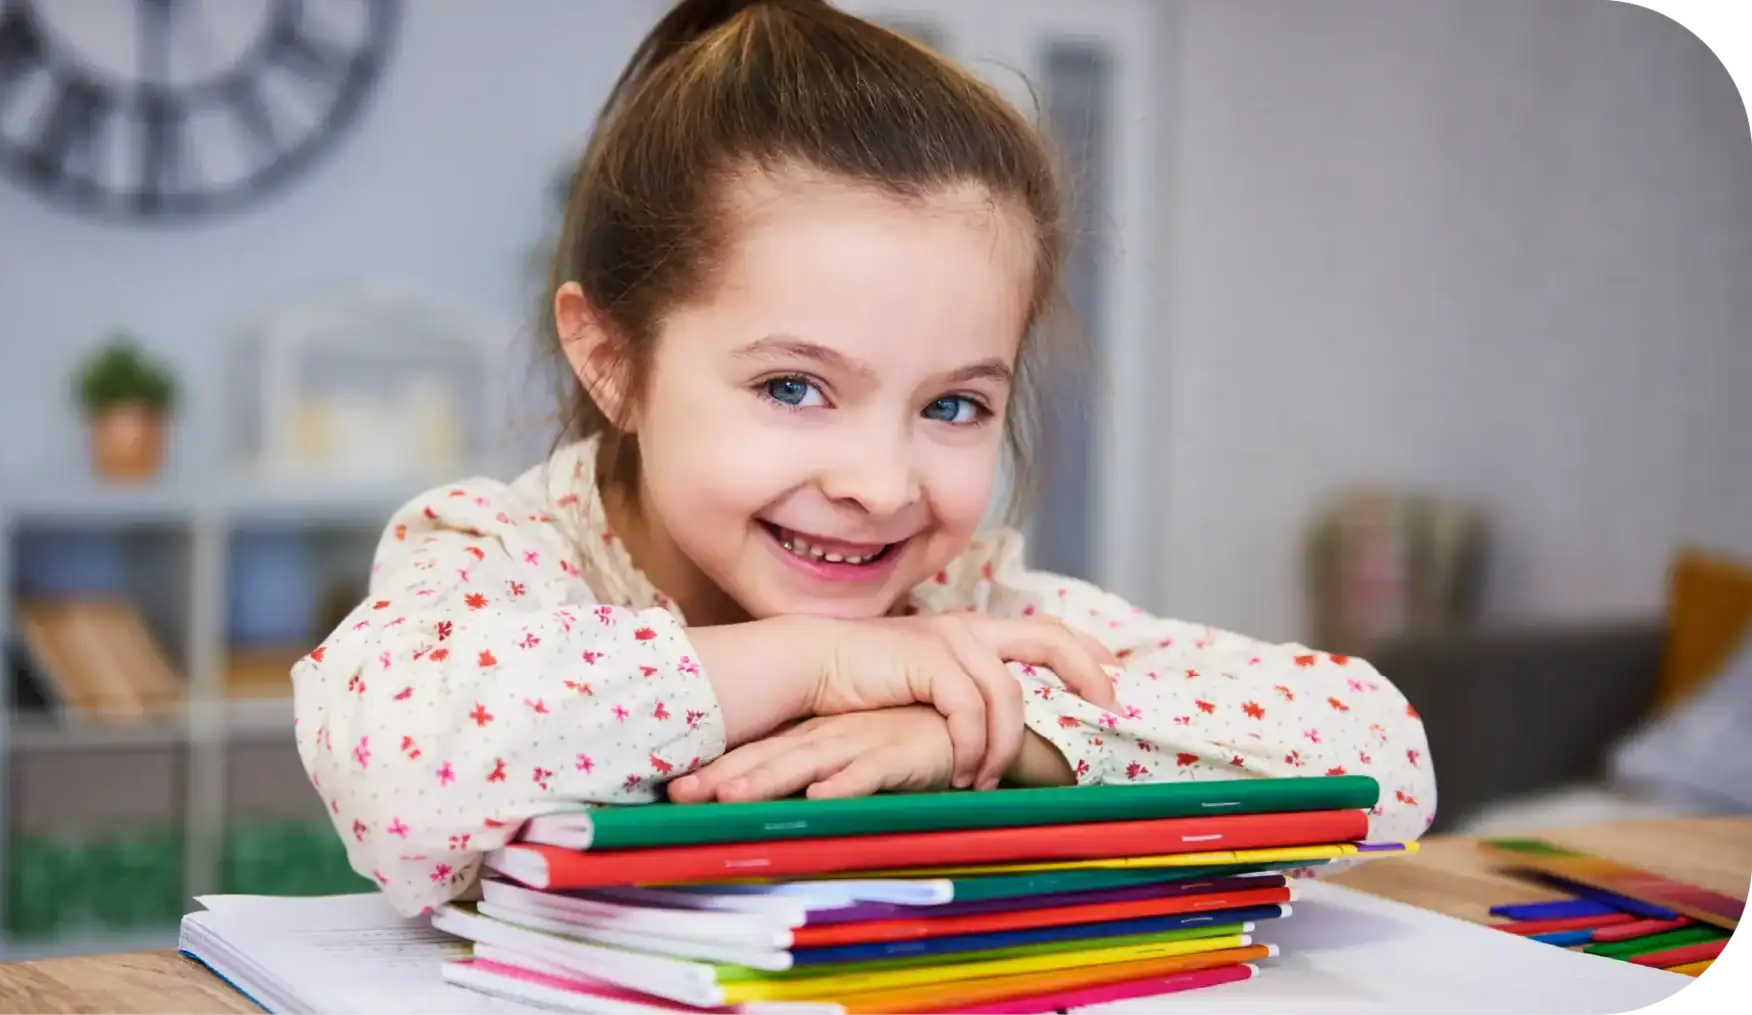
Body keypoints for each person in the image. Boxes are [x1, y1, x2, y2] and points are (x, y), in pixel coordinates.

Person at [292, 0, 1436, 918]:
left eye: (952, 405)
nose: (882, 486)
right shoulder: (502, 555)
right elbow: (399, 774)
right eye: (794, 387)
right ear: (612, 358)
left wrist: (991, 734)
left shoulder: (960, 599)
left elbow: (1382, 763)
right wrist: (819, 668)